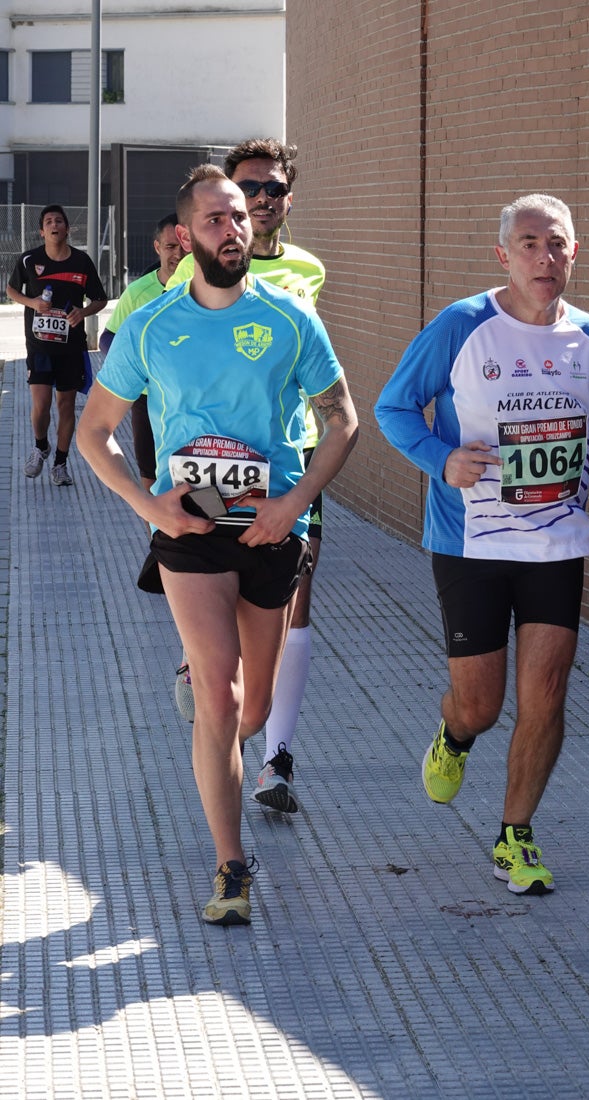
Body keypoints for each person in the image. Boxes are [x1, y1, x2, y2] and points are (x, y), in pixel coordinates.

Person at [77, 164, 358, 926]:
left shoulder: (290, 317)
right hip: (193, 520)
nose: (233, 228)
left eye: (238, 216)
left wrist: (294, 504)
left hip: (269, 517)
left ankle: (220, 750)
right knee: (219, 691)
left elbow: (342, 421)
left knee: (254, 707)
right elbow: (93, 434)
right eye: (215, 219)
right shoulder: (152, 324)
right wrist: (151, 505)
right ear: (183, 235)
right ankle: (230, 864)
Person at [375, 193, 589, 896]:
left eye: (555, 244)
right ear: (504, 255)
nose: (543, 257)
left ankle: (514, 835)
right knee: (482, 705)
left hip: (556, 541)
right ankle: (454, 734)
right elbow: (394, 407)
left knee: (547, 694)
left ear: (573, 253)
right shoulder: (462, 326)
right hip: (472, 540)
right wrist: (442, 460)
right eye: (528, 244)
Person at [168, 139, 327, 816]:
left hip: (289, 466)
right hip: (210, 467)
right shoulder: (190, 275)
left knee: (297, 598)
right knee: (211, 578)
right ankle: (204, 671)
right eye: (249, 189)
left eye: (274, 190)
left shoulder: (308, 271)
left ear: (289, 201)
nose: (261, 201)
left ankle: (276, 758)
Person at [7, 204, 108, 486]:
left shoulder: (81, 262)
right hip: (39, 346)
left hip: (70, 348)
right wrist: (33, 303)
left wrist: (82, 312)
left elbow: (100, 299)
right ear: (42, 231)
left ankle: (60, 464)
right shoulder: (29, 260)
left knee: (66, 405)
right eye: (48, 221)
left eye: (59, 221)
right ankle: (41, 447)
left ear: (66, 229)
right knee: (40, 405)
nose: (54, 225)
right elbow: (11, 289)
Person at [99, 213, 185, 491]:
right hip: (149, 401)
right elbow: (108, 339)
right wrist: (137, 376)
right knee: (150, 475)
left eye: (184, 245)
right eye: (170, 246)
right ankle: (154, 532)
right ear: (157, 247)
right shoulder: (138, 292)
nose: (179, 253)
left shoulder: (207, 290)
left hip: (191, 400)